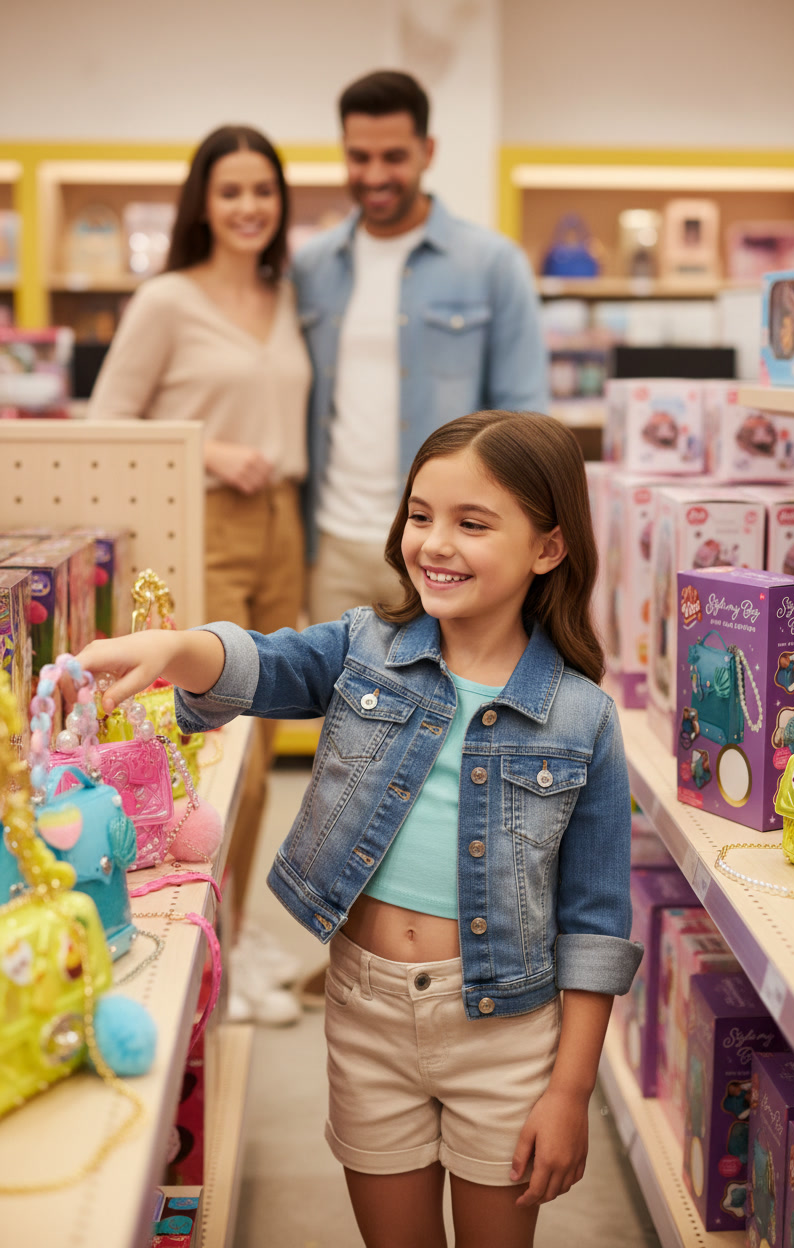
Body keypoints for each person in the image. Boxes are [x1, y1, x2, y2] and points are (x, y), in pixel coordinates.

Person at [73, 409, 642, 1248]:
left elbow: (596, 921)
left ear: (549, 547)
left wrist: (567, 1091)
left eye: (471, 523)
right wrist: (175, 644)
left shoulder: (583, 717)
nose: (434, 543)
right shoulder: (366, 649)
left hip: (508, 1033)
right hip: (367, 1014)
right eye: (420, 515)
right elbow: (266, 664)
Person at [87, 127, 311, 1013]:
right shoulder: (168, 300)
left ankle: (243, 937)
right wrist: (211, 451)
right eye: (231, 192)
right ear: (202, 203)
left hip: (282, 523)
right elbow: (108, 420)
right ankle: (211, 944)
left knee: (275, 727)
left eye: (264, 190)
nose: (250, 207)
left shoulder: (285, 295)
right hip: (203, 519)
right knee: (225, 743)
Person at [292, 69, 549, 626]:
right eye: (359, 157)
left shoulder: (492, 264)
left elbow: (527, 418)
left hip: (446, 550)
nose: (375, 174)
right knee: (332, 709)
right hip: (330, 544)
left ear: (427, 151)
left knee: (442, 709)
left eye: (394, 156)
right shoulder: (311, 267)